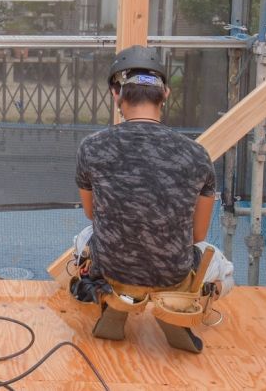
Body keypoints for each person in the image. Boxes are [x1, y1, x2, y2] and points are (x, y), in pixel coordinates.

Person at [70, 45, 233, 354]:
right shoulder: (197, 155)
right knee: (221, 265)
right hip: (172, 273)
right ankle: (178, 306)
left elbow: (92, 214)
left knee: (83, 239)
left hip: (112, 269)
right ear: (166, 94)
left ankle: (116, 301)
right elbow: (198, 235)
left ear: (116, 95)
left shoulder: (91, 148)